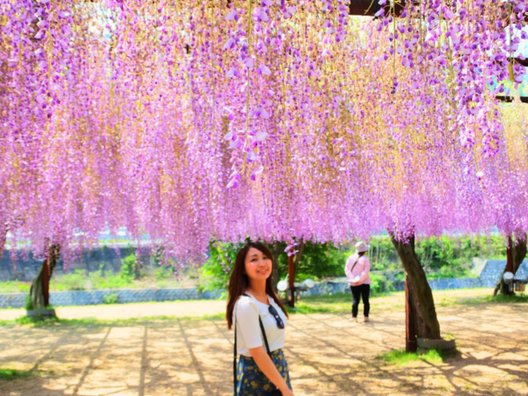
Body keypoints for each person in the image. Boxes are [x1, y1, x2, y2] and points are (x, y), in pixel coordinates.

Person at [226, 242, 294, 396]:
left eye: (265, 257)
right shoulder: (246, 303)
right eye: (254, 259)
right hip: (256, 374)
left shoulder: (270, 298)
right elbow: (256, 351)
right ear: (243, 268)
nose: (262, 263)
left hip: (277, 368)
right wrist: (284, 389)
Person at [345, 241, 371, 322]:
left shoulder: (350, 258)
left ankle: (354, 317)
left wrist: (353, 279)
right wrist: (360, 280)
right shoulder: (365, 259)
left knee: (355, 300)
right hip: (365, 283)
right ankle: (366, 317)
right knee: (365, 300)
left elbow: (347, 270)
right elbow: (366, 272)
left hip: (353, 283)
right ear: (365, 250)